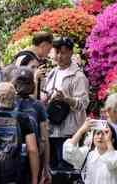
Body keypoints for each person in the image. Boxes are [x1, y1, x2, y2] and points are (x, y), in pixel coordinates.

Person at [41, 37, 90, 171]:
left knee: (66, 171)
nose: (59, 56)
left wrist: (66, 99)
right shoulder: (52, 73)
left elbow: (84, 104)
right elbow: (44, 96)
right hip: (51, 130)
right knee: (52, 170)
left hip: (69, 133)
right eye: (56, 52)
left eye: (63, 52)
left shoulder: (78, 76)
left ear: (70, 53)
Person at [0, 82, 40, 184]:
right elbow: (32, 150)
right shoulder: (22, 118)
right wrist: (34, 179)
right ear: (14, 97)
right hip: (14, 171)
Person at [9, 66, 50, 177]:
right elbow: (44, 138)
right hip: (31, 158)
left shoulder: (8, 103)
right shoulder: (37, 105)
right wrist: (46, 167)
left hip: (10, 157)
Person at [62, 118, 117, 184]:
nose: (100, 137)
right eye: (97, 133)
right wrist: (81, 130)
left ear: (112, 139)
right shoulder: (87, 154)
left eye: (105, 134)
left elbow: (115, 162)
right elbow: (68, 152)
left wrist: (108, 141)